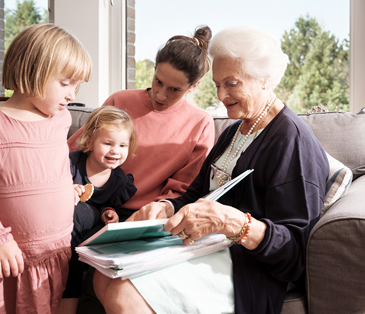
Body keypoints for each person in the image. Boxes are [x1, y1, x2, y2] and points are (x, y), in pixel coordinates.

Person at [94, 25, 330, 314]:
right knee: (104, 273)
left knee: (123, 293)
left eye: (231, 83)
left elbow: (294, 253)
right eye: (217, 84)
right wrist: (166, 207)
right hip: (205, 246)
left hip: (245, 265)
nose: (220, 95)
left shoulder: (292, 141)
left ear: (265, 80)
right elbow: (195, 196)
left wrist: (232, 222)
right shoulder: (235, 131)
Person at [0, 23, 91, 313]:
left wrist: (66, 190)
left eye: (77, 86)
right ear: (32, 70)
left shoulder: (60, 121)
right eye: (65, 83)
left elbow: (52, 167)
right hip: (7, 261)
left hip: (56, 257)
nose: (71, 94)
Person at [68, 25, 215, 216]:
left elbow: (184, 189)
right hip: (94, 203)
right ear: (154, 71)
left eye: (174, 89)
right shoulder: (119, 101)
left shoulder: (200, 124)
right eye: (158, 81)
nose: (160, 96)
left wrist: (152, 215)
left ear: (193, 86)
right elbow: (76, 148)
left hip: (149, 215)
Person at [59, 106, 138, 313]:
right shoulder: (72, 163)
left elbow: (109, 206)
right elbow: (49, 187)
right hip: (66, 219)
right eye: (108, 143)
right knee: (76, 213)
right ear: (89, 142)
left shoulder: (120, 180)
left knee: (110, 234)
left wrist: (108, 213)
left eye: (122, 145)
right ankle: (70, 271)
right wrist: (67, 189)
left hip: (92, 226)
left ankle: (75, 264)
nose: (115, 151)